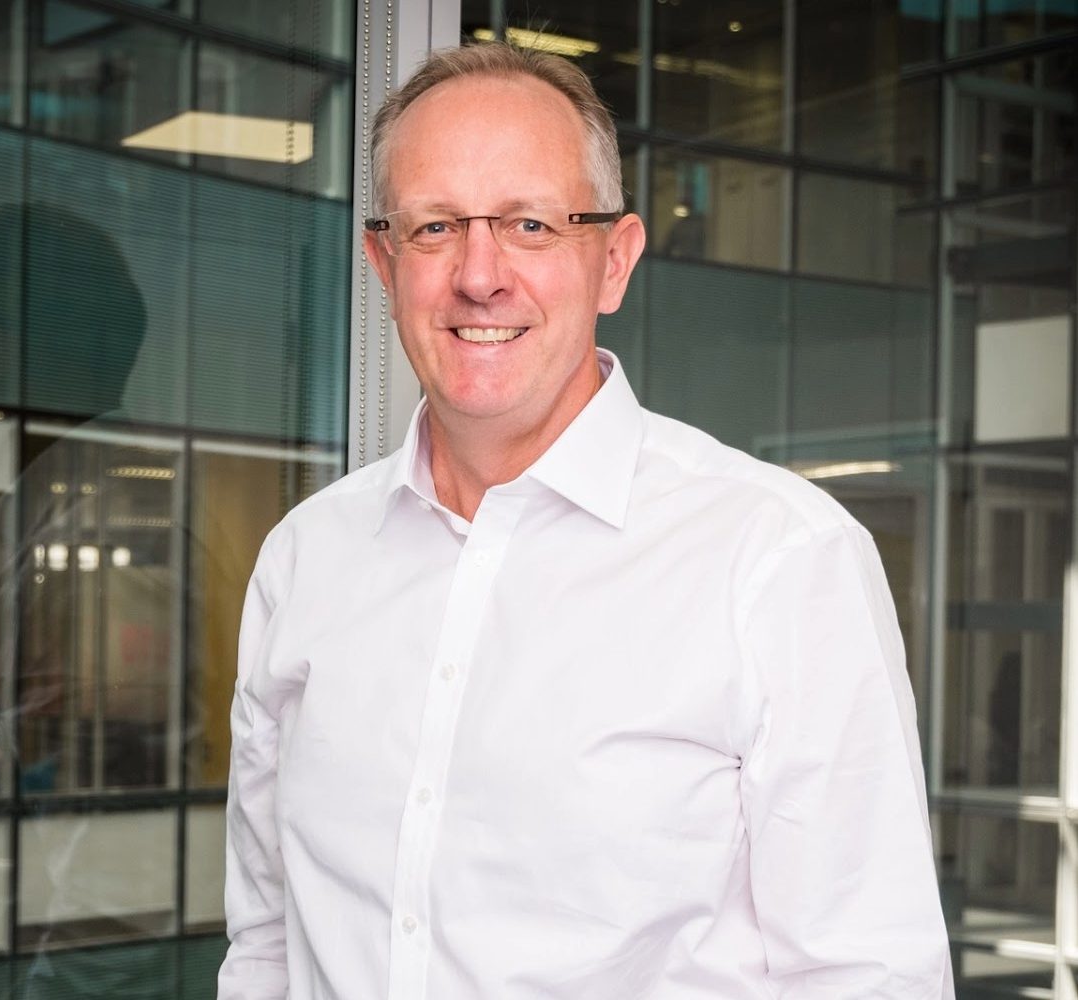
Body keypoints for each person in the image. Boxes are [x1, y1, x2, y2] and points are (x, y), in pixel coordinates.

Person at [219, 43, 953, 999]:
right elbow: (267, 946)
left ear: (613, 261)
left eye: (530, 223)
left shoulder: (777, 559)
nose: (480, 275)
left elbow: (870, 976)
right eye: (435, 227)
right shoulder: (304, 560)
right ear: (384, 264)